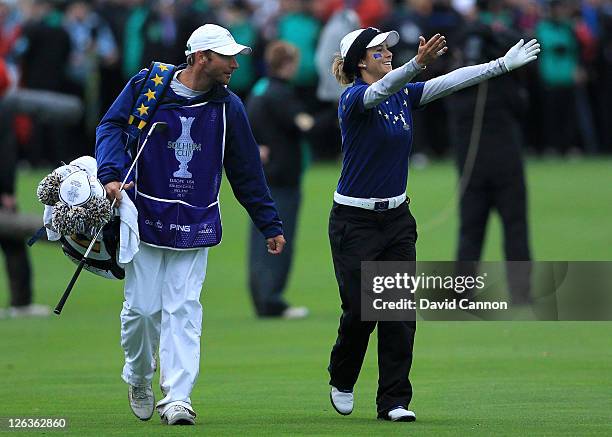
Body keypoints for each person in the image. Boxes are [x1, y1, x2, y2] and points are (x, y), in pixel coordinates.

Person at [327, 27, 539, 421]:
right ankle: (342, 375)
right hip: (354, 221)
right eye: (377, 52)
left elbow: (450, 81)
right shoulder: (354, 98)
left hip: (396, 219)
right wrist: (415, 64)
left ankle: (393, 401)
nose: (386, 54)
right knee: (361, 311)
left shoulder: (404, 93)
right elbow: (379, 91)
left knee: (398, 312)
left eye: (388, 50)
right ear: (360, 61)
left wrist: (501, 65)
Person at [96, 23, 285, 426]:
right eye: (226, 57)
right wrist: (110, 174)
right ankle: (139, 375)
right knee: (143, 311)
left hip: (197, 220)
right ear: (202, 58)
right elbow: (110, 126)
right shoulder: (149, 87)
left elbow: (246, 169)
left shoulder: (229, 106)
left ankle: (178, 396)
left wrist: (269, 223)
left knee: (183, 308)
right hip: (143, 214)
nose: (234, 64)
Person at [447, 10, 532, 305]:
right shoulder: (504, 83)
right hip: (506, 162)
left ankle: (462, 293)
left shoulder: (456, 84)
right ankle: (521, 293)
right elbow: (522, 107)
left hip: (470, 167)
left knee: (470, 230)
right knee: (515, 227)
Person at [246, 41, 312, 318]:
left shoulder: (259, 89)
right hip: (282, 176)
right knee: (279, 239)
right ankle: (271, 300)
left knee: (261, 239)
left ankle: (263, 297)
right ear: (288, 64)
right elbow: (304, 125)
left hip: (263, 177)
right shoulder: (281, 94)